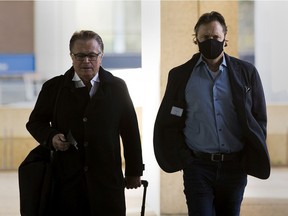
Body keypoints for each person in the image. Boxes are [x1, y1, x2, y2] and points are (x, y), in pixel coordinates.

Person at [153, 11, 270, 216]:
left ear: (225, 38)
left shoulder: (246, 73)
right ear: (196, 39)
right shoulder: (180, 75)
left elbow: (258, 117)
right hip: (197, 167)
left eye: (215, 37)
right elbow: (169, 121)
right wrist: (184, 158)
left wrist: (248, 156)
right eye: (205, 37)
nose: (211, 41)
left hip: (235, 167)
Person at [26, 30, 144, 216]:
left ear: (101, 56)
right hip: (66, 181)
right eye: (80, 55)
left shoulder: (117, 87)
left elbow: (130, 132)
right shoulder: (54, 88)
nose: (86, 61)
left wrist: (134, 171)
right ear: (71, 56)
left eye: (92, 55)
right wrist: (51, 137)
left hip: (107, 180)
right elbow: (35, 122)